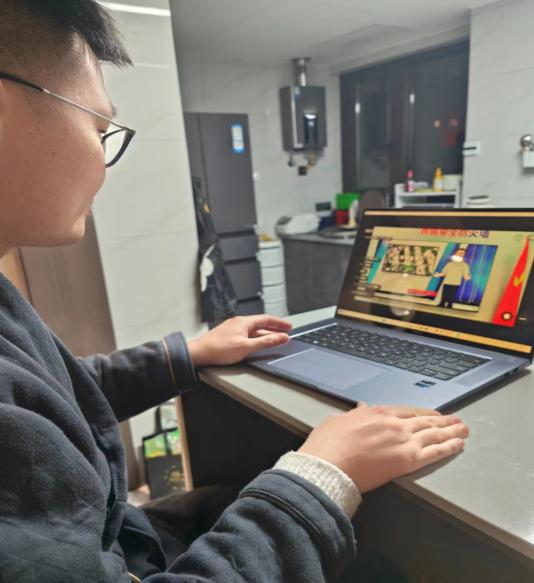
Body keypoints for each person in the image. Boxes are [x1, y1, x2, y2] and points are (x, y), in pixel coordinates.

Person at [0, 1, 469, 581]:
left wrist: (186, 354)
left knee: (233, 495)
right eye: (100, 129)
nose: (104, 159)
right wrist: (323, 471)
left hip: (132, 534)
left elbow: (55, 394)